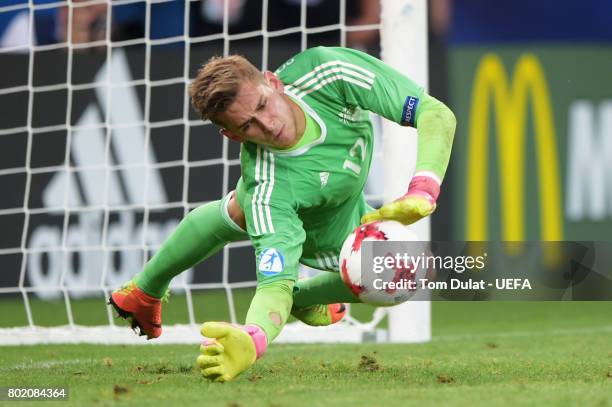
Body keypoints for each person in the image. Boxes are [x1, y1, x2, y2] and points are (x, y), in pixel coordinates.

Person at [109, 46, 456, 382]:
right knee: (404, 269)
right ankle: (299, 297)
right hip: (318, 230)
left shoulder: (327, 72)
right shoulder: (268, 188)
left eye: (263, 104)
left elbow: (434, 112)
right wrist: (254, 337)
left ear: (274, 82)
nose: (268, 125)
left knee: (235, 210)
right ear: (231, 136)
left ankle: (144, 290)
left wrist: (423, 189)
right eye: (248, 126)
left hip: (344, 203)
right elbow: (273, 285)